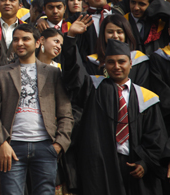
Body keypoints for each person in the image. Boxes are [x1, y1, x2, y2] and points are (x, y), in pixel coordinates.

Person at [62, 20, 169, 195]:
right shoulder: (93, 88)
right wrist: (71, 37)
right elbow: (74, 72)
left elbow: (156, 137)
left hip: (135, 166)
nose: (116, 67)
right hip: (102, 164)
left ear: (130, 64)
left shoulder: (146, 98)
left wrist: (145, 162)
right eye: (111, 62)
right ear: (104, 65)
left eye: (121, 61)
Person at [0, 24, 74, 195]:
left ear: (38, 42)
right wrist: (2, 143)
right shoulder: (1, 73)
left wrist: (58, 144)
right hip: (12, 147)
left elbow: (66, 113)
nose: (20, 43)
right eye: (16, 39)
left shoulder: (52, 73)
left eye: (25, 39)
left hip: (45, 146)